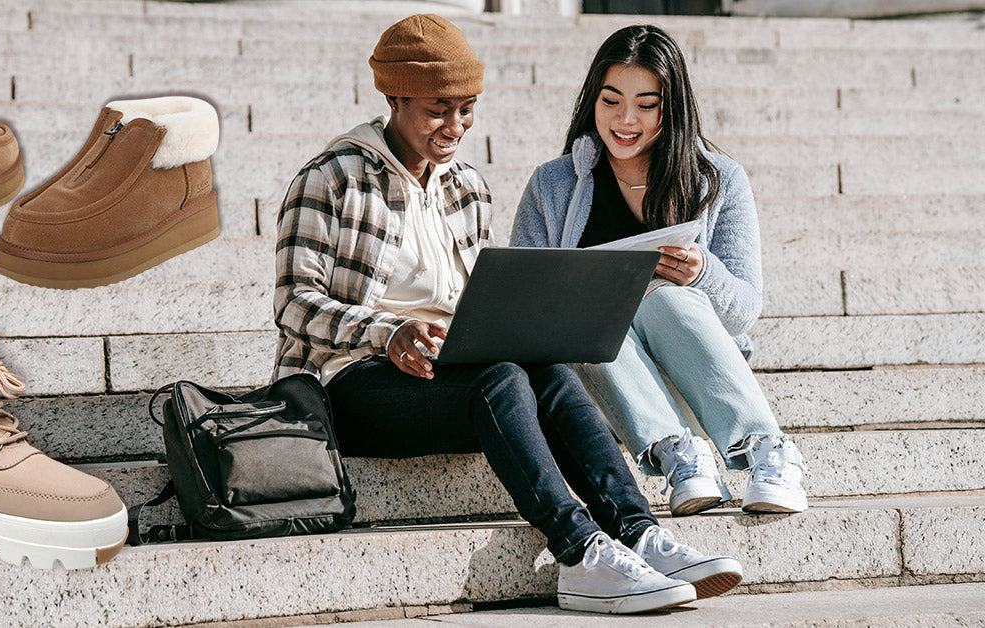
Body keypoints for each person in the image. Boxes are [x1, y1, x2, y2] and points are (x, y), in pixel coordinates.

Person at [273, 14, 742, 615]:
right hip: (347, 382)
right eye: (439, 108)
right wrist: (388, 334)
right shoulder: (331, 179)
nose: (456, 125)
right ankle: (580, 552)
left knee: (546, 371)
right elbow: (293, 303)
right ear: (393, 96)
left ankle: (640, 532)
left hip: (450, 370)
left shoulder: (467, 186)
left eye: (467, 108)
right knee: (501, 380)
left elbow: (484, 297)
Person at [510, 24, 808, 517]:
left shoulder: (718, 179)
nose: (626, 120)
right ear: (592, 101)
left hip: (698, 374)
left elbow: (743, 312)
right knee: (590, 317)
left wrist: (701, 273)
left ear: (673, 108)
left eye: (647, 104)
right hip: (604, 383)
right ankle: (682, 459)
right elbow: (524, 300)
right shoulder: (553, 183)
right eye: (611, 100)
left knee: (666, 296)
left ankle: (768, 451)